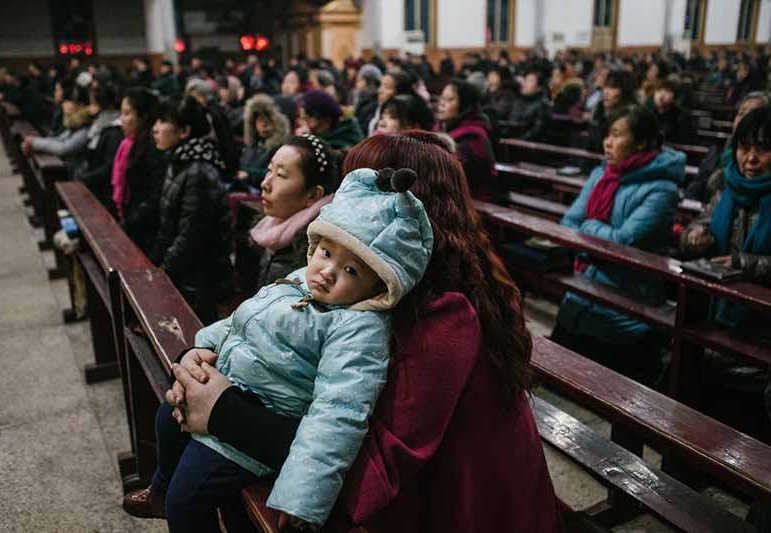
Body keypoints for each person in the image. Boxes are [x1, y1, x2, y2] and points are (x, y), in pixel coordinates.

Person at [162, 131, 563, 532]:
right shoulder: (362, 284)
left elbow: (373, 471)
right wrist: (200, 362)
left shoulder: (445, 316)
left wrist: (224, 412)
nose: (342, 203)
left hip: (465, 514)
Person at [123, 165, 434, 532]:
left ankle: (171, 497)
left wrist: (302, 497)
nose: (328, 271)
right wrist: (199, 349)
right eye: (326, 252)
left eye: (351, 271)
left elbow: (338, 413)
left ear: (379, 286)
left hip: (260, 424)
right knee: (166, 419)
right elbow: (243, 319)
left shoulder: (358, 329)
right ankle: (160, 488)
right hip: (230, 388)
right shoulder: (300, 279)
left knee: (187, 498)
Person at [551, 105, 686, 387]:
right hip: (582, 295)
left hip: (629, 309)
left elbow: (623, 242)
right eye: (606, 135)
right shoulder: (602, 174)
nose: (607, 143)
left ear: (642, 142)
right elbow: (567, 222)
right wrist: (591, 231)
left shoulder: (662, 189)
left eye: (616, 135)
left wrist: (587, 227)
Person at [680, 106, 771, 331]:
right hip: (715, 308)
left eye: (763, 149)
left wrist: (742, 264)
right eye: (744, 147)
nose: (750, 158)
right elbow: (702, 223)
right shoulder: (727, 186)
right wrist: (694, 237)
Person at [149, 96, 233, 323]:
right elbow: (167, 225)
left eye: (162, 122)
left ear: (184, 131)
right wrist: (154, 264)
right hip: (185, 271)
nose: (155, 129)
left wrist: (162, 272)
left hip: (199, 277)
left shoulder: (198, 171)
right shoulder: (178, 161)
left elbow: (191, 236)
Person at [246, 135, 337, 289]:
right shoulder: (272, 228)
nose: (265, 183)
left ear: (313, 195)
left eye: (281, 175)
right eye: (269, 170)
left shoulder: (313, 258)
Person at [686, 92, 770, 202]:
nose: (744, 118)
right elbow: (698, 183)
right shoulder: (717, 149)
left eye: (753, 113)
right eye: (741, 113)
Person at [117, 88, 167, 254]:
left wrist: (130, 221)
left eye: (126, 113)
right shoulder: (133, 143)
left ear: (142, 115)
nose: (121, 119)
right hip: (136, 221)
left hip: (147, 229)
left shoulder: (152, 146)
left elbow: (156, 195)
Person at [436, 80, 497, 198]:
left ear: (464, 105)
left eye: (449, 99)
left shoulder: (474, 136)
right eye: (442, 98)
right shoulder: (440, 128)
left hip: (472, 199)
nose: (442, 104)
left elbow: (462, 176)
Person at [72, 83, 123, 215]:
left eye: (93, 103)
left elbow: (108, 168)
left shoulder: (114, 131)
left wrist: (85, 177)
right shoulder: (99, 123)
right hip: (94, 180)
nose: (90, 107)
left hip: (104, 191)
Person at [236, 94, 290, 190]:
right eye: (259, 120)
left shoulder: (281, 147)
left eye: (267, 120)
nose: (263, 124)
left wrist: (249, 174)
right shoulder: (252, 145)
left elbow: (275, 174)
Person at [300, 89, 364, 151]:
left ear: (325, 120)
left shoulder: (342, 145)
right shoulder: (322, 134)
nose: (305, 126)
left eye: (306, 119)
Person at [507, 70, 552, 142]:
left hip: (530, 147)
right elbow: (511, 124)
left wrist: (519, 141)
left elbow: (537, 131)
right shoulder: (518, 101)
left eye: (530, 81)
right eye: (525, 80)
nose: (525, 84)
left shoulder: (543, 106)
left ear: (539, 87)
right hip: (512, 143)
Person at [366, 71, 416, 136]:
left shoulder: (406, 116)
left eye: (387, 87)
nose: (379, 91)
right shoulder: (376, 107)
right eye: (381, 85)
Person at [646, 79, 695, 144]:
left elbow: (688, 141)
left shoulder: (683, 115)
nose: (661, 95)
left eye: (667, 91)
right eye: (658, 91)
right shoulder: (650, 113)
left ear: (675, 96)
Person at [353, 63, 383, 135]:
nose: (356, 84)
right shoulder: (363, 98)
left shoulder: (373, 103)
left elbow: (364, 129)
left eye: (359, 80)